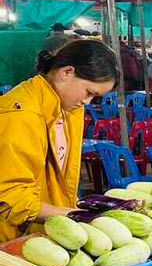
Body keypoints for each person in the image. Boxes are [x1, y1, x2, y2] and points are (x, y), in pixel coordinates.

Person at [0, 40, 119, 242]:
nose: (87, 102)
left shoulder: (67, 108)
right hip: (13, 238)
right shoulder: (22, 115)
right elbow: (9, 197)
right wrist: (76, 216)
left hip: (44, 230)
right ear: (66, 73)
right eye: (89, 92)